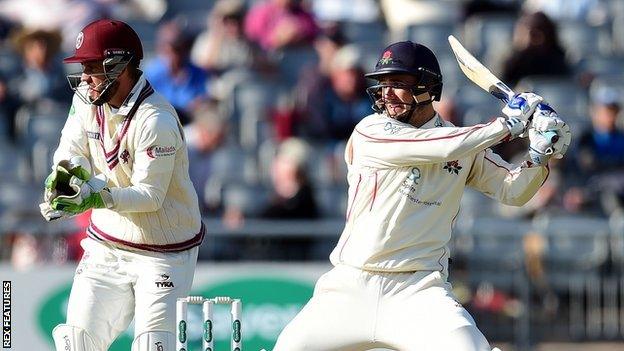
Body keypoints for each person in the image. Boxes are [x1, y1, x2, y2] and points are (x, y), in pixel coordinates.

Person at [273, 41, 571, 350]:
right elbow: (436, 146)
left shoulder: (462, 143)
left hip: (418, 290)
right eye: (383, 83)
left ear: (428, 87)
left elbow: (513, 191)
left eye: (398, 83)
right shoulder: (370, 132)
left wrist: (539, 155)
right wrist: (508, 124)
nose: (387, 92)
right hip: (350, 285)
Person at [38, 19, 204, 351]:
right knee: (76, 342)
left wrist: (92, 198)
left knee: (153, 345)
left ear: (120, 65)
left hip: (163, 250)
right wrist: (66, 179)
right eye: (83, 67)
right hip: (107, 243)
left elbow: (151, 196)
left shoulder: (156, 119)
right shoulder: (87, 97)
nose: (85, 77)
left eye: (92, 67)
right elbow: (72, 148)